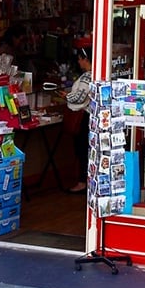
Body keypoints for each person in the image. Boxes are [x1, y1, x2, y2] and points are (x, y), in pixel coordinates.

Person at [60, 46, 92, 194]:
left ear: (85, 59)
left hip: (84, 117)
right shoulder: (97, 73)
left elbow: (80, 97)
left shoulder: (87, 76)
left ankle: (81, 182)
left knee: (82, 150)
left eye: (80, 59)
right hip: (89, 116)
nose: (79, 63)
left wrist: (65, 96)